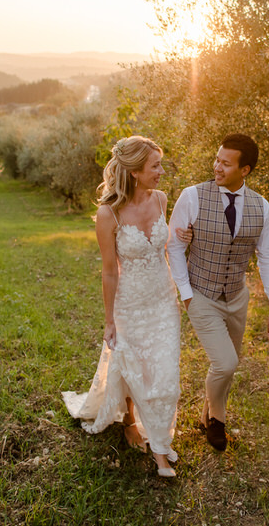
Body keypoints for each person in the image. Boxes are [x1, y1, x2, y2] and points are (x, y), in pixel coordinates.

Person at [62, 135, 189, 478]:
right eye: (155, 166)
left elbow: (167, 247)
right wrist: (109, 320)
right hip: (130, 303)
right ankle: (140, 431)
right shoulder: (109, 214)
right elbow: (108, 271)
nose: (162, 171)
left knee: (165, 375)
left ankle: (160, 443)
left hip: (163, 300)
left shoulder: (161, 200)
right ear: (135, 172)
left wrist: (183, 239)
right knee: (134, 367)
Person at [167, 133, 269, 452]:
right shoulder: (192, 196)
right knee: (226, 363)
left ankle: (205, 415)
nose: (217, 166)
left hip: (236, 297)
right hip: (201, 293)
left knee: (228, 362)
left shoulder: (262, 207)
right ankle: (218, 420)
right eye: (216, 159)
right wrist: (186, 293)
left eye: (225, 163)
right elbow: (174, 247)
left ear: (244, 170)